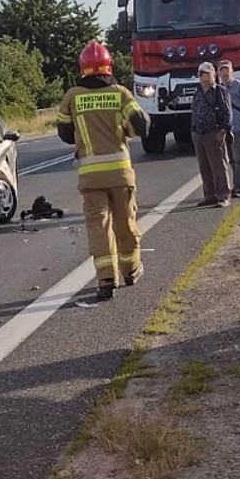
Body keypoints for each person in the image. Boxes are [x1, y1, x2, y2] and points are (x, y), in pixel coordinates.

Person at [58, 41, 151, 300]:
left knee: (99, 228)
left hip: (91, 178)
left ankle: (106, 280)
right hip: (121, 175)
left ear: (83, 68)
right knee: (126, 225)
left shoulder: (72, 96)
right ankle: (131, 271)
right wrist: (123, 129)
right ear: (109, 66)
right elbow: (141, 125)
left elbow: (65, 134)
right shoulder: (120, 93)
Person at [189, 61, 233, 208]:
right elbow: (194, 111)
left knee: (218, 166)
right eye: (201, 74)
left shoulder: (220, 91)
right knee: (204, 167)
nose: (203, 77)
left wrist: (223, 131)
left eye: (206, 74)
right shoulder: (198, 92)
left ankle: (223, 195)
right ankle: (210, 195)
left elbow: (227, 113)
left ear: (213, 75)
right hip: (199, 134)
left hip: (214, 132)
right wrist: (194, 131)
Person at [219, 59, 240, 198]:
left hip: (238, 127)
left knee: (239, 159)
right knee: (231, 160)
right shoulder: (219, 89)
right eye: (222, 72)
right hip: (226, 129)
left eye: (227, 72)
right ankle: (236, 186)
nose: (225, 75)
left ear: (231, 71)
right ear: (219, 74)